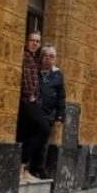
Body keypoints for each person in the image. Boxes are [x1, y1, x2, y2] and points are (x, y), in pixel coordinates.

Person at [16, 31, 49, 182]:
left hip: (32, 101)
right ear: (26, 41)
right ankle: (22, 165)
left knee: (28, 133)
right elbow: (24, 78)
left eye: (37, 41)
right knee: (43, 129)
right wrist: (30, 97)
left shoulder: (34, 58)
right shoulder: (25, 56)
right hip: (27, 101)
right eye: (32, 40)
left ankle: (23, 169)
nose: (35, 43)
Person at [31, 44, 66, 179]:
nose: (47, 59)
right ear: (41, 57)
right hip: (34, 110)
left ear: (54, 59)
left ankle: (38, 168)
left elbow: (61, 96)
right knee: (32, 138)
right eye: (45, 56)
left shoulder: (57, 75)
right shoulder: (34, 71)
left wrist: (60, 115)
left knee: (43, 141)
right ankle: (29, 166)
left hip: (47, 113)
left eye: (51, 56)